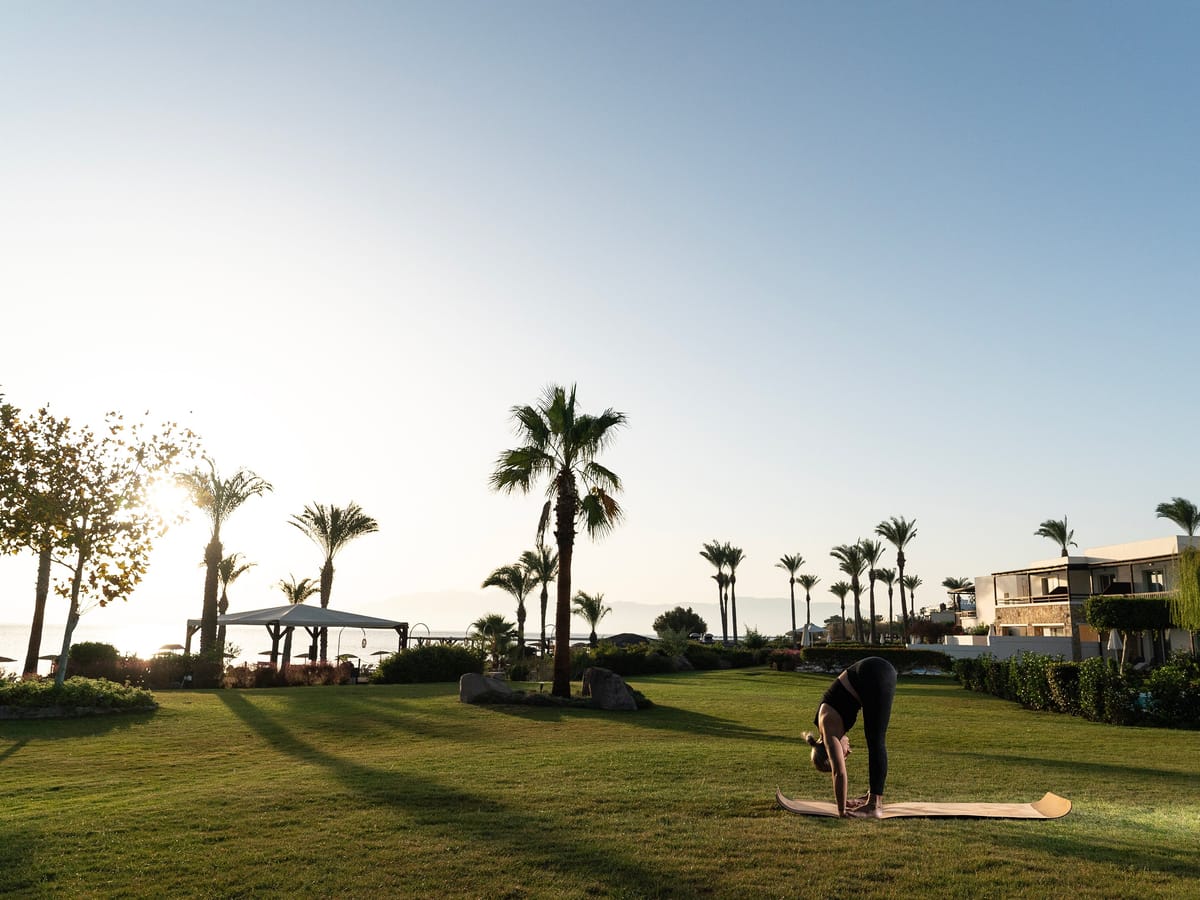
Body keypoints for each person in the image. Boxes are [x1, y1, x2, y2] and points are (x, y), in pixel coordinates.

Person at [802, 656, 897, 818]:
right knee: (874, 739)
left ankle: (874, 805)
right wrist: (845, 800)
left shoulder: (829, 733)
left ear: (833, 752)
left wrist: (841, 811)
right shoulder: (822, 722)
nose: (849, 752)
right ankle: (872, 797)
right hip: (874, 670)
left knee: (876, 740)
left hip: (874, 673)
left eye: (843, 756)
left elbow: (839, 773)